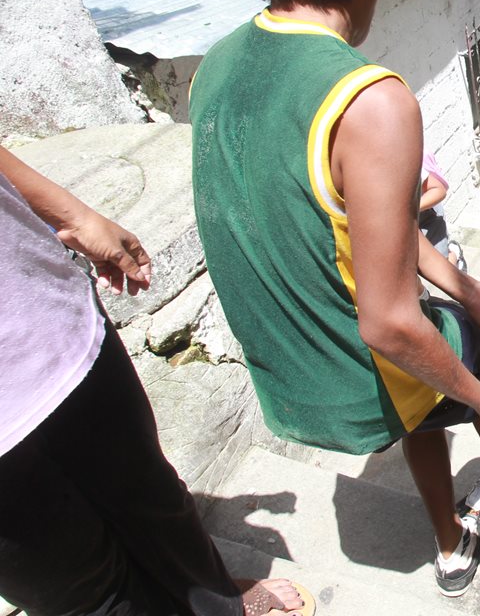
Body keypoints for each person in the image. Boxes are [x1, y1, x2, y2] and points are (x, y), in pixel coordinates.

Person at [188, 0, 480, 598]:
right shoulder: (372, 100)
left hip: (292, 379)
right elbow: (389, 325)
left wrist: (459, 283)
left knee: (449, 333)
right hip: (357, 374)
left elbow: (351, 224)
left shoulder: (218, 64)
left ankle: (450, 547)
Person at [0, 147, 314, 616]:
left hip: (48, 315)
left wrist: (74, 216)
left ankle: (216, 604)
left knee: (151, 494)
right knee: (76, 586)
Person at [419, 150, 466, 271]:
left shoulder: (407, 155)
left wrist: (405, 210)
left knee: (442, 267)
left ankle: (455, 253)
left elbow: (439, 191)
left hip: (426, 216)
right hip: (403, 224)